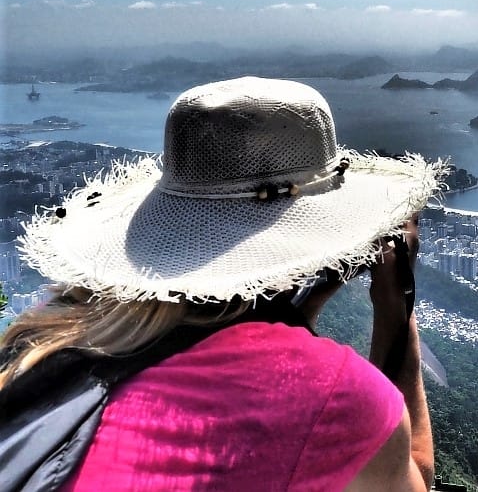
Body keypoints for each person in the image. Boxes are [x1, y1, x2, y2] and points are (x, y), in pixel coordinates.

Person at [0, 77, 446, 491]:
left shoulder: (47, 332)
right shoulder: (332, 393)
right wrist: (394, 300)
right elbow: (412, 475)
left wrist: (297, 307)